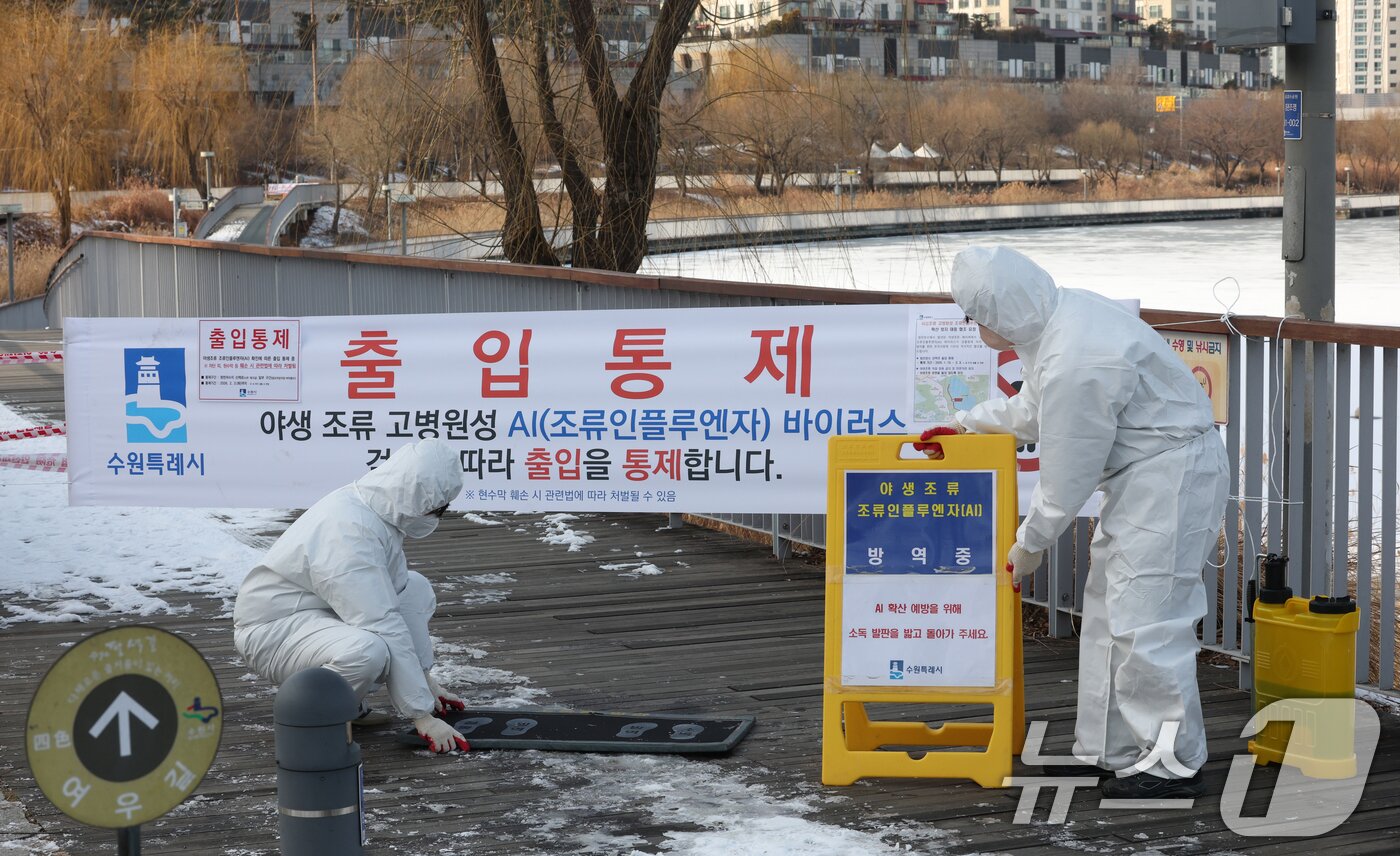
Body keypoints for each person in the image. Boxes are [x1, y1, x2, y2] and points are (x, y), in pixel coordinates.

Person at [919, 245, 1228, 798]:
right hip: (1148, 475)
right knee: (1113, 614)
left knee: (1147, 622)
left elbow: (1065, 478)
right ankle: (1112, 752)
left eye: (975, 317)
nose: (973, 327)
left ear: (999, 313)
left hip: (1169, 478)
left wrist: (1027, 546)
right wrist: (970, 426)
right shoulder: (1060, 319)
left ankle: (1171, 764)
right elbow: (1037, 409)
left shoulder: (1075, 357)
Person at [234, 438, 472, 754]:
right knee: (368, 650)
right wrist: (422, 715)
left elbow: (399, 598)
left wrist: (426, 681)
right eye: (437, 508)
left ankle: (346, 702)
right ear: (416, 497)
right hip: (272, 630)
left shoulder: (378, 512)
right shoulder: (348, 530)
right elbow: (381, 620)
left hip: (315, 613)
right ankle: (313, 719)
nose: (438, 516)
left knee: (413, 588)